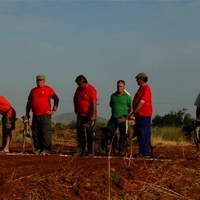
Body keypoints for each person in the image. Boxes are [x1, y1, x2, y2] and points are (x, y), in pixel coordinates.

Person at [26, 74, 59, 155]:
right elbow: (29, 102)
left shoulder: (48, 89)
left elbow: (56, 98)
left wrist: (54, 110)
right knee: (36, 133)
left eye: (41, 80)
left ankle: (46, 149)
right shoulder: (33, 90)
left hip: (45, 115)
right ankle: (38, 148)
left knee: (45, 133)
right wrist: (27, 113)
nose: (39, 82)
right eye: (38, 80)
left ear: (44, 81)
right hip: (35, 115)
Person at [106, 80, 132, 155]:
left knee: (123, 134)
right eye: (118, 86)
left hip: (122, 119)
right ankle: (112, 147)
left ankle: (121, 149)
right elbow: (111, 105)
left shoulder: (127, 97)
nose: (119, 88)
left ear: (124, 87)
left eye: (120, 86)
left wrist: (126, 116)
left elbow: (130, 107)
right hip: (113, 118)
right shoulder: (113, 96)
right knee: (108, 131)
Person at [73, 75, 98, 156]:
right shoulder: (78, 89)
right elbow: (75, 98)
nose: (78, 85)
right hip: (80, 114)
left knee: (90, 133)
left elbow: (94, 102)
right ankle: (81, 150)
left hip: (89, 115)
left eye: (79, 84)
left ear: (84, 83)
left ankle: (91, 151)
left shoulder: (91, 89)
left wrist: (93, 114)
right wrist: (75, 108)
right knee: (80, 133)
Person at [132, 72, 153, 158]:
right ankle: (143, 151)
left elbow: (142, 102)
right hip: (140, 115)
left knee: (143, 133)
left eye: (137, 79)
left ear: (141, 80)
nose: (137, 81)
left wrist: (134, 111)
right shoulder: (141, 88)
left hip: (144, 114)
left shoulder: (146, 89)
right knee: (140, 133)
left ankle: (144, 152)